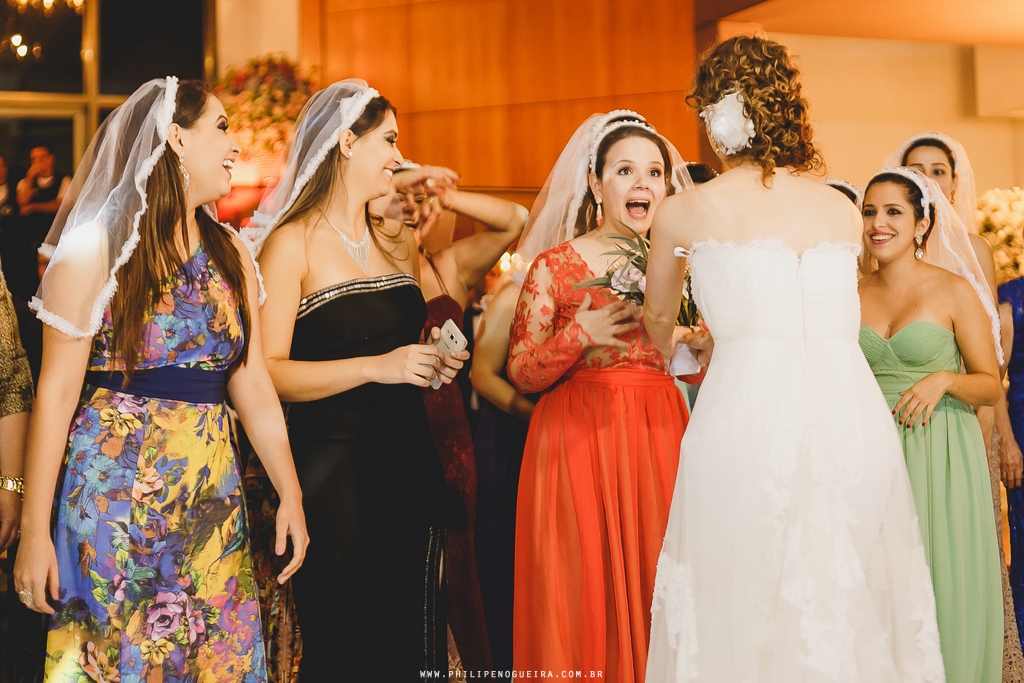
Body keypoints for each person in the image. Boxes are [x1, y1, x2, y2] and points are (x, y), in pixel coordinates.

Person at [644, 35, 944, 681]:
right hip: (851, 414)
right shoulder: (840, 209)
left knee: (745, 588)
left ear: (723, 112)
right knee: (843, 584)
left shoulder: (683, 212)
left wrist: (696, 336)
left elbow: (657, 325)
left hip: (746, 415)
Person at [12, 77, 308, 682]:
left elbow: (251, 385)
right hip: (112, 509)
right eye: (222, 127)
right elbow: (56, 393)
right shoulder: (95, 251)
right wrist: (34, 531)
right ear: (176, 137)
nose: (236, 144)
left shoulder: (232, 251)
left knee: (218, 662)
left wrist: (291, 491)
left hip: (212, 505)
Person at [247, 79, 468, 679]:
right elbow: (266, 374)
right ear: (347, 142)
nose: (399, 156)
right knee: (348, 637)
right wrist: (379, 367)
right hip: (336, 467)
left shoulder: (393, 241)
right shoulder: (291, 244)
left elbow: (397, 342)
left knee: (411, 629)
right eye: (389, 139)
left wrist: (428, 361)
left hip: (409, 456)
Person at [508, 110, 692, 681]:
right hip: (578, 443)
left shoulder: (688, 268)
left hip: (661, 434)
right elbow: (519, 369)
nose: (642, 184)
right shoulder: (556, 267)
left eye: (655, 172)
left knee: (663, 581)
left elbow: (697, 366)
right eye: (625, 170)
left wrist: (700, 349)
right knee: (583, 587)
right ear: (595, 184)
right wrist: (577, 336)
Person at [859, 167, 1004, 681]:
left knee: (941, 577)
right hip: (870, 451)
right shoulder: (851, 293)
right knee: (880, 587)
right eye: (871, 211)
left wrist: (945, 379)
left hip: (939, 448)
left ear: (922, 223)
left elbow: (990, 382)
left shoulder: (954, 290)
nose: (879, 222)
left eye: (894, 211)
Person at [888, 132, 1024, 671]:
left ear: (953, 179)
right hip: (885, 432)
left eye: (937, 169)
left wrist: (1003, 436)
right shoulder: (868, 266)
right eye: (915, 168)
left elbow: (989, 360)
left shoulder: (975, 251)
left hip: (962, 421)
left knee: (963, 555)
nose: (927, 178)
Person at [394, 161, 529, 670]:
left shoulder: (443, 266)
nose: (408, 207)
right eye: (397, 195)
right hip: (395, 436)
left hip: (451, 438)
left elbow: (513, 218)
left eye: (414, 199)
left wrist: (444, 196)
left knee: (458, 576)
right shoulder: (366, 273)